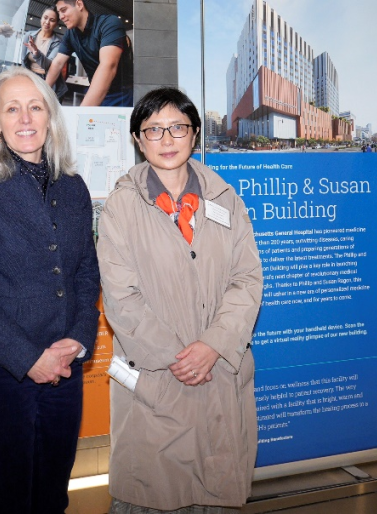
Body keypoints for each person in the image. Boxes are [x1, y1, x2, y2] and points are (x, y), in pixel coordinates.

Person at [97, 87, 263, 512]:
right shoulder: (120, 207)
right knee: (154, 492)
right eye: (153, 129)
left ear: (195, 134)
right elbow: (121, 297)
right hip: (158, 375)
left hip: (219, 371)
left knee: (217, 490)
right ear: (138, 140)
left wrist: (213, 345)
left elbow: (247, 279)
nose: (167, 139)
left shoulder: (226, 199)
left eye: (177, 127)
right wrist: (179, 358)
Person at [0, 67, 102, 513]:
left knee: (53, 498)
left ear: (50, 117)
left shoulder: (73, 188)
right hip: (2, 373)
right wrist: (31, 359)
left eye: (36, 107)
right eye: (12, 109)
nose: (26, 118)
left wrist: (78, 340)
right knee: (12, 502)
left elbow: (86, 273)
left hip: (64, 370)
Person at [44, 0, 133, 106]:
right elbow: (57, 63)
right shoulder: (70, 34)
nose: (61, 16)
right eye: (59, 12)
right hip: (95, 90)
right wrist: (42, 95)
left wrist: (82, 112)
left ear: (79, 4)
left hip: (122, 95)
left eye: (64, 10)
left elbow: (108, 66)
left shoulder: (109, 23)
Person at [24, 6, 69, 101]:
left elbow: (49, 65)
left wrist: (36, 53)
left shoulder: (58, 42)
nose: (47, 22)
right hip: (30, 77)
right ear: (41, 18)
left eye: (52, 20)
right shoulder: (29, 35)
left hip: (48, 80)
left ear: (56, 24)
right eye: (45, 18)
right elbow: (23, 61)